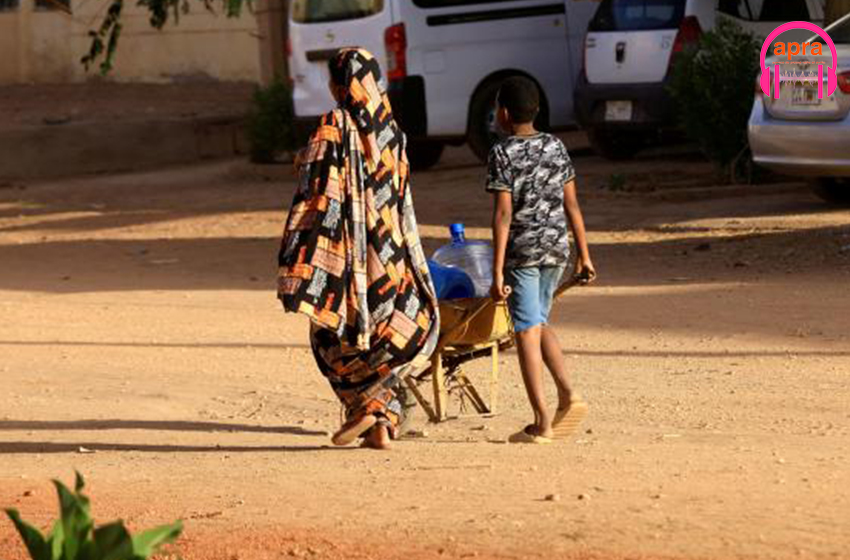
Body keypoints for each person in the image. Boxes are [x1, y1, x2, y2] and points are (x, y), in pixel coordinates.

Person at [277, 48, 439, 450]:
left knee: (329, 337)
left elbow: (315, 179)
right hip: (394, 267)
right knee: (383, 344)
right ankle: (379, 424)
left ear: (339, 84)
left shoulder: (335, 124)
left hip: (351, 265)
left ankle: (361, 407)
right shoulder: (394, 133)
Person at [487, 76, 596, 444]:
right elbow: (572, 205)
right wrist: (584, 254)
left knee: (526, 332)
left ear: (503, 114)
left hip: (523, 253)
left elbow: (503, 216)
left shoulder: (502, 153)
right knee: (540, 320)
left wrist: (497, 269)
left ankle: (541, 421)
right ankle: (568, 394)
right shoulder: (555, 145)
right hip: (557, 249)